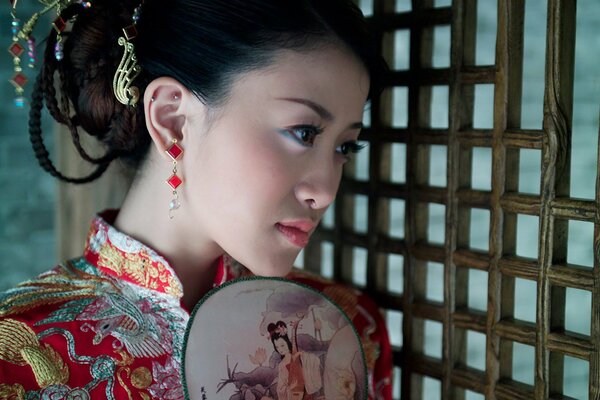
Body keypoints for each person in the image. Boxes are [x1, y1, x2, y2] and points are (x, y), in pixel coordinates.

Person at [0, 0, 393, 398]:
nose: (325, 191)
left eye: (346, 147)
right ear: (173, 120)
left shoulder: (345, 329)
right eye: (304, 132)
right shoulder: (17, 357)